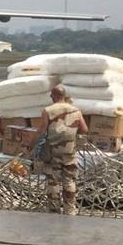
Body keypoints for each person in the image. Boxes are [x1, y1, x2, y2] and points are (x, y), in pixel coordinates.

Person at [37, 85, 88, 215]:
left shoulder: (47, 110)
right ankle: (70, 209)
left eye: (51, 95)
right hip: (69, 151)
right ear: (64, 95)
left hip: (53, 151)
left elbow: (41, 131)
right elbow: (84, 130)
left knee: (53, 180)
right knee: (69, 180)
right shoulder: (76, 110)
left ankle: (54, 209)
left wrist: (30, 145)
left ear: (54, 95)